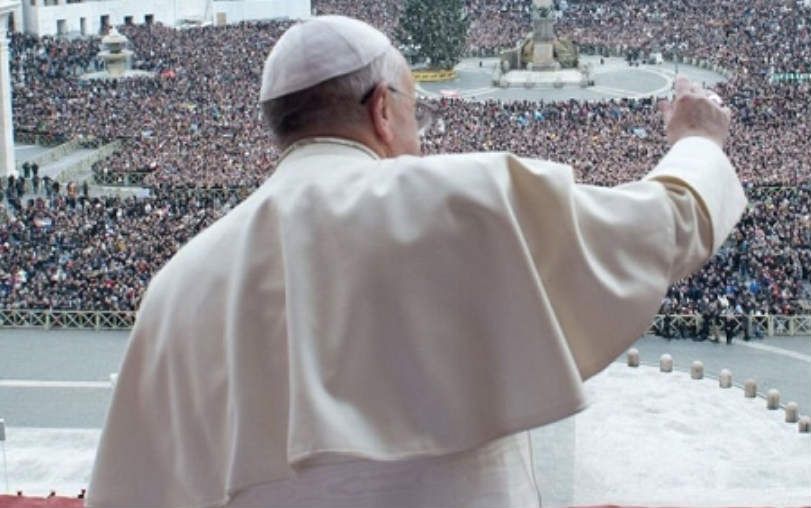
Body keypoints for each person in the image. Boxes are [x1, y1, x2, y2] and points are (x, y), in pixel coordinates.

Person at [87, 15, 747, 508]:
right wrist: (697, 141)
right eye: (414, 114)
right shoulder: (462, 199)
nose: (417, 136)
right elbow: (668, 226)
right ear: (381, 109)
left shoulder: (177, 285)